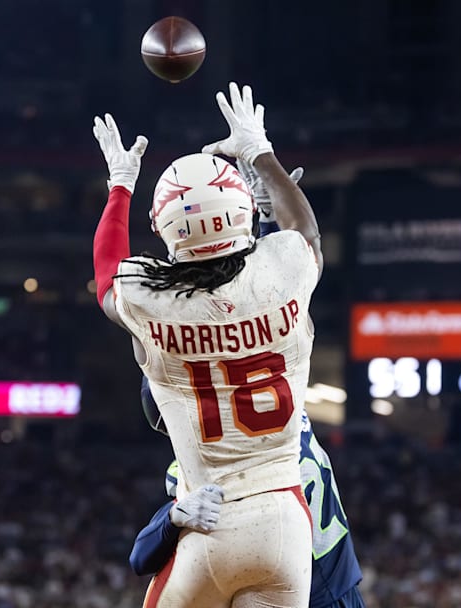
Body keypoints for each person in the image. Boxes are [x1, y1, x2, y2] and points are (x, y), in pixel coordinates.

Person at [91, 82, 323, 607]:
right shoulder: (282, 272)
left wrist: (120, 186)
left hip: (209, 516)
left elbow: (108, 276)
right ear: (243, 213)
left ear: (165, 227)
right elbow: (304, 232)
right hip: (285, 520)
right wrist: (259, 151)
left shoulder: (154, 302)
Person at [131, 398, 365, 607]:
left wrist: (171, 517)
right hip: (339, 585)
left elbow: (140, 559)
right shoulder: (293, 414)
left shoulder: (225, 468)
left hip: (305, 593)